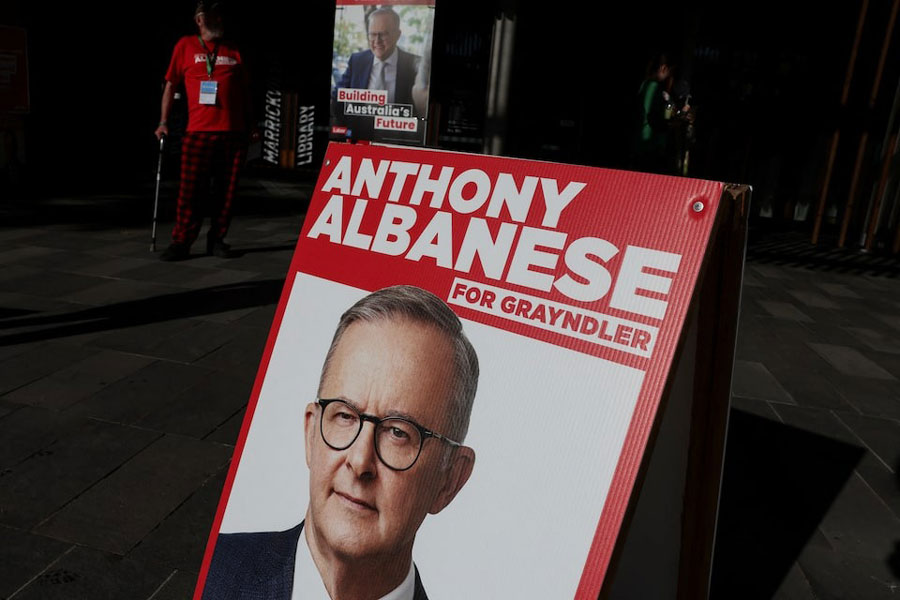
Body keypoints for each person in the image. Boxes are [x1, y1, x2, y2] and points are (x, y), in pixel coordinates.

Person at [201, 285, 479, 600]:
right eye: (345, 416)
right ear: (311, 432)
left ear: (450, 480)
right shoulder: (211, 571)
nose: (360, 462)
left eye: (398, 433)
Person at [154, 1, 256, 261]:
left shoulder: (233, 50)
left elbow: (245, 91)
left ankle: (217, 240)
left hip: (233, 133)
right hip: (198, 132)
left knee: (227, 192)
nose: (218, 20)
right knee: (190, 192)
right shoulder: (185, 45)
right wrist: (163, 121)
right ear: (199, 20)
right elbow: (170, 85)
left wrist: (251, 124)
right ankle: (181, 241)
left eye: (219, 16)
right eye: (212, 17)